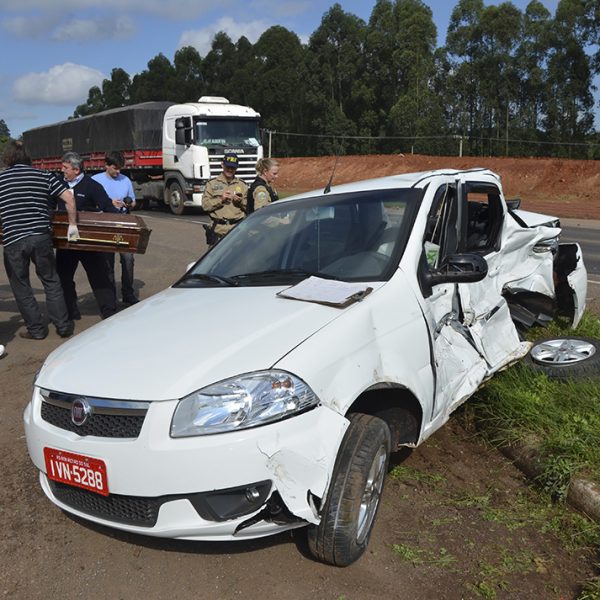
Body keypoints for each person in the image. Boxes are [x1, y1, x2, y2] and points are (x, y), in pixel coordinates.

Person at [0, 141, 79, 340]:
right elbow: (69, 198)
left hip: (14, 239)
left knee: (21, 286)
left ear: (8, 158)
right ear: (28, 157)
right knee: (51, 281)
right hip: (41, 236)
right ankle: (63, 326)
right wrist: (72, 225)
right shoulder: (44, 176)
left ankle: (36, 330)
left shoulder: (1, 178)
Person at [56, 151, 118, 320]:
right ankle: (70, 311)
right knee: (63, 277)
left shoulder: (92, 186)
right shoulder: (59, 184)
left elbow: (108, 209)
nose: (62, 170)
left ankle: (109, 313)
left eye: (65, 168)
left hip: (88, 241)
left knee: (98, 276)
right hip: (66, 241)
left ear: (76, 170)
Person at [92, 151, 139, 305]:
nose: (118, 172)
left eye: (120, 168)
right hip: (105, 223)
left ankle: (128, 293)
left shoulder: (125, 180)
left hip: (123, 221)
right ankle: (110, 295)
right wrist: (108, 203)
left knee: (128, 258)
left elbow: (133, 202)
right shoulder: (95, 180)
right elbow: (90, 204)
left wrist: (129, 202)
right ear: (106, 165)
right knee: (107, 261)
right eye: (115, 168)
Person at [201, 152, 248, 246]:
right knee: (215, 259)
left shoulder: (242, 185)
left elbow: (250, 207)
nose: (230, 170)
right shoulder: (212, 184)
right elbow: (205, 206)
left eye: (233, 168)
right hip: (218, 230)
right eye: (228, 167)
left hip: (237, 229)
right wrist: (220, 200)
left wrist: (240, 201)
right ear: (222, 165)